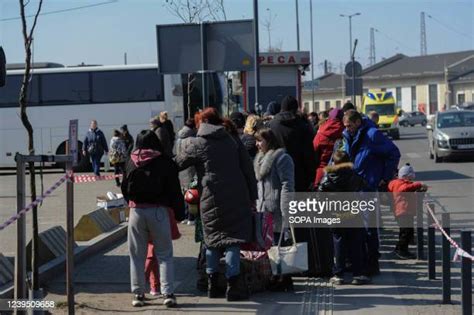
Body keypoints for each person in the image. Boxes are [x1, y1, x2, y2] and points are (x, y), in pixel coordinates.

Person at [175, 108, 257, 301]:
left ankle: (212, 285)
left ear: (201, 124)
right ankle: (233, 285)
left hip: (209, 198)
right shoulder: (232, 139)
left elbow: (177, 163)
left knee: (211, 240)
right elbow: (247, 168)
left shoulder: (198, 143)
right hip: (236, 196)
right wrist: (253, 196)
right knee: (233, 241)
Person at [121, 130, 185, 308]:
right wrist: (179, 214)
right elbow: (174, 191)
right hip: (158, 211)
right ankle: (168, 294)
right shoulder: (165, 162)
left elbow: (124, 187)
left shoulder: (131, 161)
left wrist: (132, 203)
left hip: (136, 212)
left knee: (136, 256)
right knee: (164, 254)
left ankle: (138, 294)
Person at [342, 109, 401, 275]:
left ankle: (372, 263)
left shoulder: (373, 135)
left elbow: (394, 153)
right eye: (345, 126)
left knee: (369, 228)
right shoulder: (347, 135)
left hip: (367, 186)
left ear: (358, 122)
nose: (347, 128)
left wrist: (384, 176)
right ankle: (359, 262)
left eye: (349, 125)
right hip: (352, 187)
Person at [318, 151, 370, 285]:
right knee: (355, 244)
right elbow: (363, 184)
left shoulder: (328, 177)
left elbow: (320, 193)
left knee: (338, 243)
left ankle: (338, 274)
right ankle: (358, 273)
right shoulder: (353, 175)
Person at [254, 128, 295, 291]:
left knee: (281, 243)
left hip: (277, 207)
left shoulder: (282, 158)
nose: (257, 144)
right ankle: (274, 276)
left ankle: (285, 278)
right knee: (269, 244)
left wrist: (286, 208)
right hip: (264, 207)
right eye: (256, 140)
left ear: (269, 141)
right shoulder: (260, 159)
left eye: (260, 140)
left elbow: (287, 184)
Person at [388, 163, 428, 259]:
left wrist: (420, 190)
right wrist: (419, 184)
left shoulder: (399, 183)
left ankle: (399, 249)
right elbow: (404, 189)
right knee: (405, 233)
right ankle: (402, 251)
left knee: (406, 232)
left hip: (406, 211)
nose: (412, 180)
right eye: (410, 177)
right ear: (405, 176)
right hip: (403, 212)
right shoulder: (399, 184)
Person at [313, 108, 345, 187]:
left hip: (322, 174)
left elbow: (313, 154)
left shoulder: (320, 133)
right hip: (342, 175)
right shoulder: (347, 132)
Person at [176, 118, 197, 225]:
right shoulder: (192, 139)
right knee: (192, 194)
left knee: (184, 194)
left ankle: (184, 216)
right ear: (193, 127)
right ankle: (191, 217)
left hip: (181, 171)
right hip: (190, 170)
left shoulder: (178, 139)